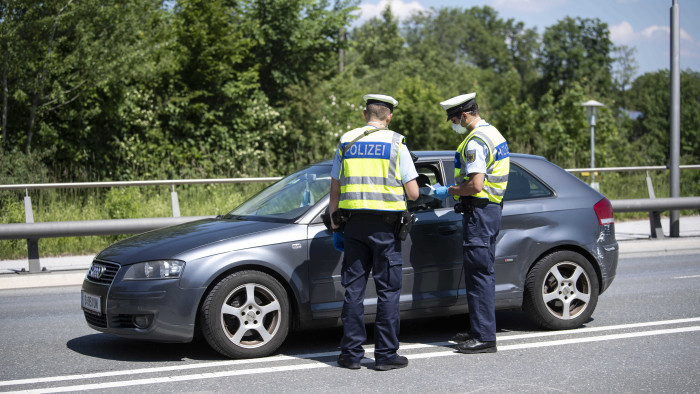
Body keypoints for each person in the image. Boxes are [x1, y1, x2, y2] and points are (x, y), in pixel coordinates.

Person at [329, 94, 420, 371]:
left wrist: (336, 225)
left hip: (353, 225)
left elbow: (335, 187)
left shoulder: (346, 140)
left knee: (354, 291)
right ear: (388, 116)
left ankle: (350, 355)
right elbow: (413, 193)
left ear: (365, 114)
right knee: (388, 291)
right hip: (386, 229)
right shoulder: (396, 143)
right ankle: (385, 356)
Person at [433, 92, 509, 354]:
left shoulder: (476, 141)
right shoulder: (493, 133)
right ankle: (479, 329)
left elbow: (476, 185)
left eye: (454, 119)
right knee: (482, 272)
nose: (454, 124)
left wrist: (448, 191)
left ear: (464, 115)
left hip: (480, 212)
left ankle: (485, 338)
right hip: (490, 211)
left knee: (479, 275)